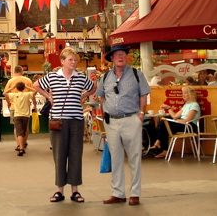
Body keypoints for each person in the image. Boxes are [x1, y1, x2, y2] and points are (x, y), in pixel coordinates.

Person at [34, 48, 96, 203]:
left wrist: (83, 96)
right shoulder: (53, 77)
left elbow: (93, 87)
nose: (74, 62)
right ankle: (59, 189)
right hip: (58, 121)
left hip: (76, 119)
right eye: (70, 60)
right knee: (59, 154)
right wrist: (49, 96)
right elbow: (36, 85)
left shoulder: (80, 78)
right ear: (62, 61)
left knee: (76, 154)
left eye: (74, 60)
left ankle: (75, 190)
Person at [95, 44, 150, 206]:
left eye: (123, 54)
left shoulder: (136, 74)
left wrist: (141, 114)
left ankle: (135, 193)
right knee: (116, 158)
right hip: (111, 121)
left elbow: (144, 95)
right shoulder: (105, 77)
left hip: (131, 119)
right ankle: (118, 193)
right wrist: (103, 113)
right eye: (117, 54)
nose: (120, 57)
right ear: (111, 58)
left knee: (134, 157)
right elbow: (102, 97)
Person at [151, 86, 201, 158]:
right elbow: (175, 116)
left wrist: (176, 121)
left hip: (190, 126)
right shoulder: (185, 105)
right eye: (183, 93)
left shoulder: (194, 105)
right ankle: (160, 146)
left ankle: (159, 145)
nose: (183, 95)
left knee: (165, 125)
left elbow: (188, 120)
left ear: (191, 94)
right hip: (182, 124)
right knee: (164, 123)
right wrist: (168, 108)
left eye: (185, 93)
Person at [4, 65, 36, 152]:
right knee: (25, 127)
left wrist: (9, 103)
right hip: (26, 107)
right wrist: (34, 105)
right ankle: (24, 143)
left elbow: (6, 94)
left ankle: (19, 144)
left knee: (16, 127)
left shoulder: (11, 81)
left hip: (14, 107)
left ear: (14, 72)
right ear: (22, 71)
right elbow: (33, 94)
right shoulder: (28, 80)